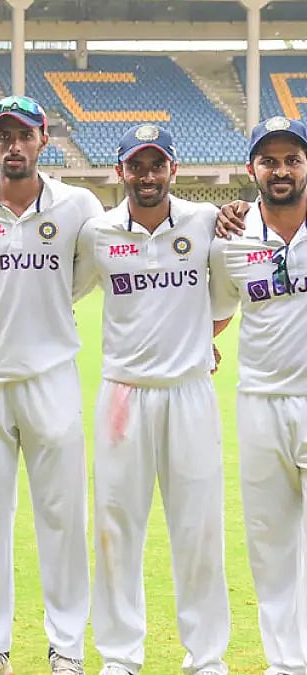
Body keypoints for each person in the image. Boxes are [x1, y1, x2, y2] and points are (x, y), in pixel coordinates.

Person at [0, 95, 103, 675]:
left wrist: (43, 308)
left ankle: (66, 648)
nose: (14, 145)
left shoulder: (78, 204)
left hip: (51, 376)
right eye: (3, 135)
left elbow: (81, 276)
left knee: (62, 517)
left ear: (43, 137)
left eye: (23, 134)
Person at [75, 124, 229, 675]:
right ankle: (119, 657)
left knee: (200, 528)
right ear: (121, 172)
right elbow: (58, 289)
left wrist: (194, 342)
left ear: (173, 169)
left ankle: (206, 657)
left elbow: (227, 293)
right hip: (123, 395)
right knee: (116, 529)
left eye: (155, 164)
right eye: (136, 166)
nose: (146, 176)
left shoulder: (206, 222)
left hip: (189, 394)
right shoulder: (97, 233)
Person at [209, 115, 307, 675]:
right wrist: (199, 344)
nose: (281, 170)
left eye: (292, 159)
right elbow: (218, 311)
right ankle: (284, 663)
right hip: (261, 402)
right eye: (269, 161)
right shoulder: (234, 236)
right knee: (270, 541)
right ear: (253, 169)